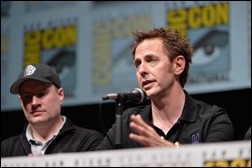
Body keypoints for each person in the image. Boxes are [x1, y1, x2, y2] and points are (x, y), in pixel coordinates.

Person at [96, 27, 234, 150]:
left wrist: (168, 152)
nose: (142, 70)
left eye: (151, 60)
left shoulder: (212, 120)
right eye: (138, 63)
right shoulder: (130, 122)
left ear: (178, 65)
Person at [1, 63, 104, 157]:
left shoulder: (87, 141)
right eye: (27, 96)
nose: (34, 103)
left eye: (41, 94)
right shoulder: (5, 149)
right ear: (21, 101)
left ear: (60, 95)